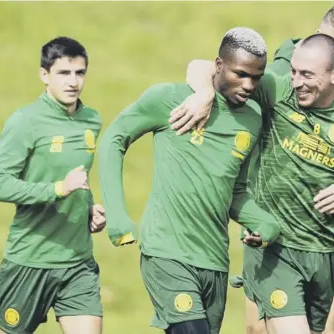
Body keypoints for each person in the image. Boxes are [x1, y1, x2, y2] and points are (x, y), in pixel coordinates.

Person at [170, 5, 334, 333]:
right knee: (258, 328)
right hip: (273, 216)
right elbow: (203, 66)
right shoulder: (285, 67)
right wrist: (205, 93)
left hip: (322, 229)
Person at [97, 27, 281, 334]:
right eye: (241, 74)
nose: (249, 85)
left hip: (215, 264)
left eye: (257, 77)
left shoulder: (251, 119)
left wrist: (265, 223)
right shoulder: (171, 99)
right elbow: (114, 139)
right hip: (168, 254)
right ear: (218, 65)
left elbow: (234, 191)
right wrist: (117, 215)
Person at [0, 37, 106, 334]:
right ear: (44, 75)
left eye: (80, 73)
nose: (73, 82)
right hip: (30, 259)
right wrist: (57, 189)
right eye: (64, 73)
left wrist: (89, 209)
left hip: (78, 262)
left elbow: (78, 179)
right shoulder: (24, 122)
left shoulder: (91, 120)